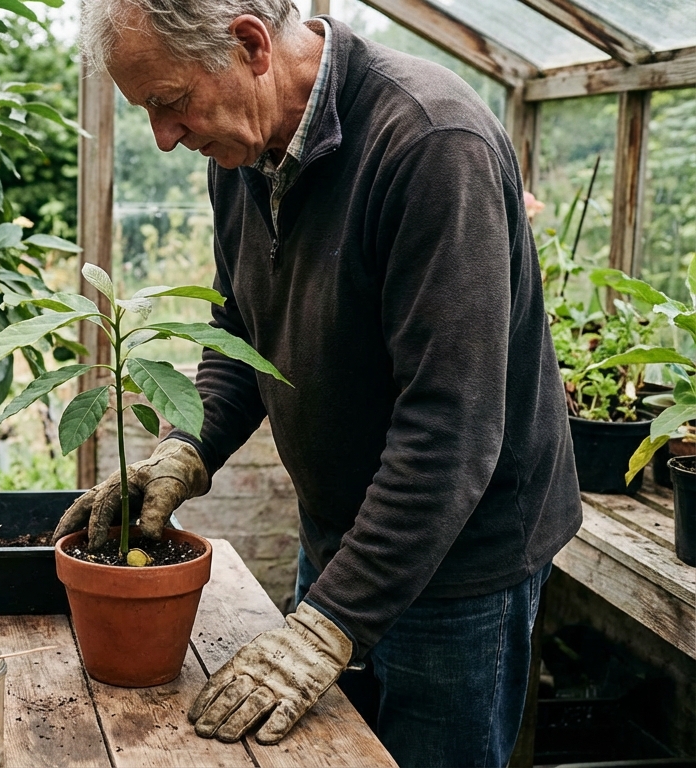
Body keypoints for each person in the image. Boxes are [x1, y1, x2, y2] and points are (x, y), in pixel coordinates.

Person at [52, 1, 582, 765]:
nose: (164, 137)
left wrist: (326, 623)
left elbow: (452, 429)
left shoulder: (431, 144)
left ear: (249, 44)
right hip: (343, 534)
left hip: (460, 570)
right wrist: (184, 448)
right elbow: (241, 332)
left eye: (169, 103)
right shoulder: (239, 154)